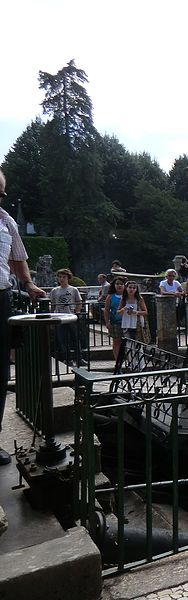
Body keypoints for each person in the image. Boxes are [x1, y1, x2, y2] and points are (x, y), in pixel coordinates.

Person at [0, 168, 45, 465]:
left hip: (0, 298)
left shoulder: (6, 221)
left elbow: (18, 258)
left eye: (0, 193)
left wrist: (28, 284)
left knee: (0, 373)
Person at [49, 268, 85, 366]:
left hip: (71, 316)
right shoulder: (54, 290)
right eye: (60, 277)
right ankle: (67, 359)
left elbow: (79, 302)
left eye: (64, 277)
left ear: (68, 278)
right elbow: (52, 304)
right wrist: (51, 316)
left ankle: (79, 358)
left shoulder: (73, 289)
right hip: (59, 317)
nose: (61, 279)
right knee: (63, 339)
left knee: (75, 338)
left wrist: (77, 312)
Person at [104, 276, 126, 361]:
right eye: (117, 284)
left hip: (126, 322)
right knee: (116, 341)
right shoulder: (110, 296)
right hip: (115, 322)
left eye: (121, 284)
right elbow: (106, 310)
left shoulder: (127, 296)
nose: (119, 286)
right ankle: (118, 360)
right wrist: (107, 322)